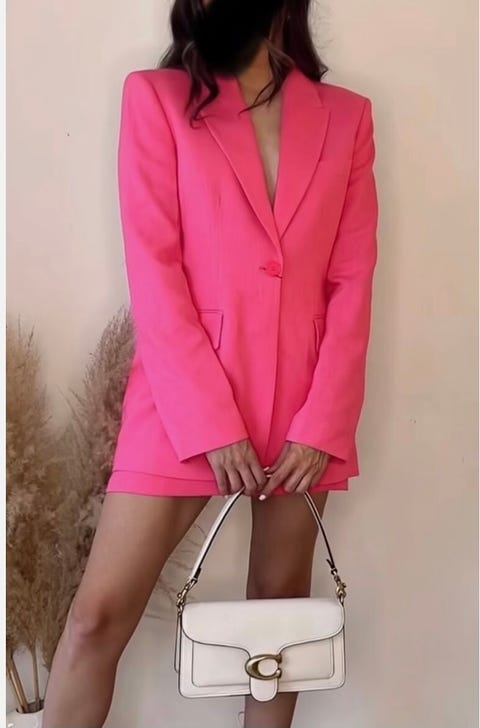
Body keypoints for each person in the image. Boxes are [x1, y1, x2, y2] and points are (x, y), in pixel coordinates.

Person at [42, 0, 378, 726]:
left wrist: (323, 422)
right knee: (96, 619)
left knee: (277, 630)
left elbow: (352, 281)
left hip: (303, 410)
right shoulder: (157, 100)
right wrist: (211, 422)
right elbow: (154, 270)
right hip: (182, 403)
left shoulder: (347, 118)